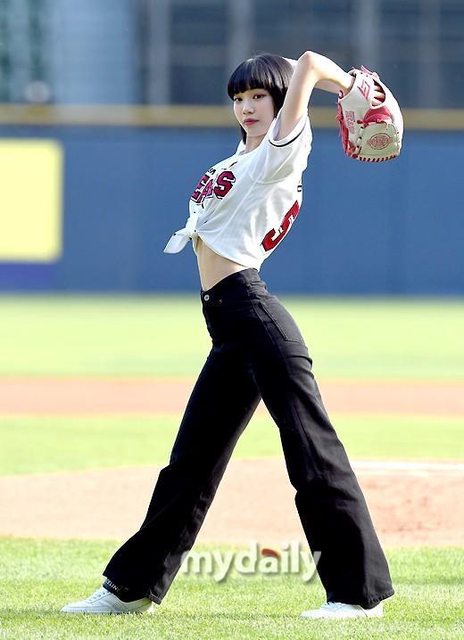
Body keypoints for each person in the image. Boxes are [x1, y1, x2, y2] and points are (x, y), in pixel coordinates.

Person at [61, 51, 394, 619]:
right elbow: (288, 72)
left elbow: (308, 63)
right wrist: (278, 72)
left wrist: (349, 86)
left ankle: (358, 596)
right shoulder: (241, 158)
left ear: (281, 102)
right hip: (230, 327)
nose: (246, 107)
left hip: (254, 316)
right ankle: (131, 588)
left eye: (259, 96)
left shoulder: (280, 153)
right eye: (239, 98)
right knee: (191, 463)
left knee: (312, 451)